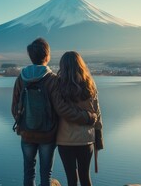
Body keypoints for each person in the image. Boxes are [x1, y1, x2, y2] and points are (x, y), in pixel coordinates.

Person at [11, 38, 96, 186]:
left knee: (28, 171)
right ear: (47, 56)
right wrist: (87, 117)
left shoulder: (21, 78)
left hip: (27, 134)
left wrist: (25, 123)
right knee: (46, 173)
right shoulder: (52, 79)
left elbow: (14, 108)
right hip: (47, 135)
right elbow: (62, 109)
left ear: (31, 56)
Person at [56, 51, 104, 186]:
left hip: (65, 141)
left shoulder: (58, 86)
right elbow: (97, 113)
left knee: (71, 179)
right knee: (85, 176)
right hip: (86, 140)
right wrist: (99, 139)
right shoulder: (90, 84)